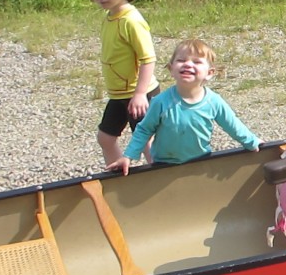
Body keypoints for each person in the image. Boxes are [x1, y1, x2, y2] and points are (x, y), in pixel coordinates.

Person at [107, 38, 262, 174]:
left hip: (200, 162)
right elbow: (144, 129)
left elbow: (233, 125)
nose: (188, 64)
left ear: (209, 73)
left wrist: (253, 143)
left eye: (196, 62)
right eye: (181, 60)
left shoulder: (214, 102)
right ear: (171, 69)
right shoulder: (160, 102)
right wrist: (128, 156)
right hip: (163, 164)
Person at [78, 0, 160, 166]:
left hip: (139, 94)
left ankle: (160, 179)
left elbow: (148, 59)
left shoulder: (131, 20)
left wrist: (141, 94)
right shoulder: (110, 17)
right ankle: (116, 176)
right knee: (105, 138)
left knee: (146, 142)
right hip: (118, 94)